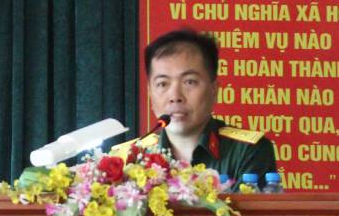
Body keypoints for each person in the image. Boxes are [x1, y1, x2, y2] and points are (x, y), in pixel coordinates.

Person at [117, 28, 277, 185]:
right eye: (163, 84)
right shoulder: (128, 157)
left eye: (189, 82)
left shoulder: (247, 150)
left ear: (214, 90)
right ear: (150, 94)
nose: (175, 97)